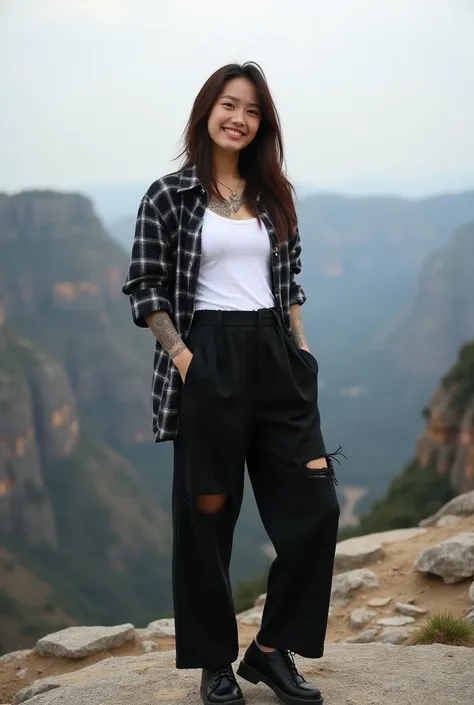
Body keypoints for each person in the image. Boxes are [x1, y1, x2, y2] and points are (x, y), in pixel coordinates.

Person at [123, 62, 342, 705]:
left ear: (261, 123)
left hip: (276, 357)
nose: (238, 118)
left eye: (250, 109)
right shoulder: (169, 195)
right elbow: (146, 287)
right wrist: (186, 359)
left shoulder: (275, 194)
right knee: (207, 521)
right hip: (207, 357)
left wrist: (301, 351)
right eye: (228, 104)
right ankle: (214, 661)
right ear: (206, 113)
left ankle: (271, 652)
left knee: (316, 509)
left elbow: (291, 280)